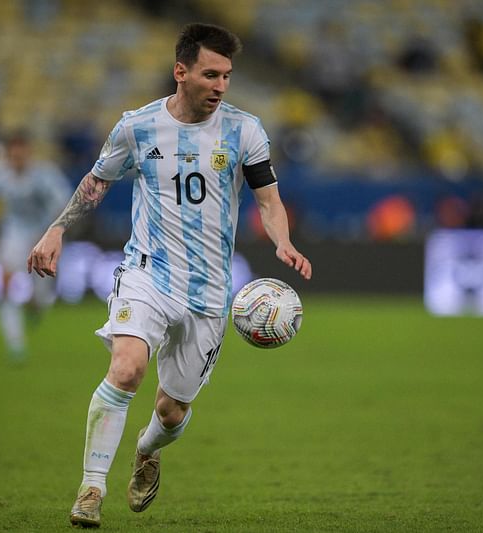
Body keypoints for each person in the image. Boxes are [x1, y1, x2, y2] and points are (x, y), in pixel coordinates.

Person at [27, 23, 312, 528]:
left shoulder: (245, 130)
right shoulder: (136, 128)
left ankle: (147, 449)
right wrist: (56, 230)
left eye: (227, 75)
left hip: (209, 293)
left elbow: (269, 201)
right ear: (181, 72)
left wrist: (283, 241)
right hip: (148, 274)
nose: (221, 85)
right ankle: (91, 488)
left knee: (172, 412)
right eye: (210, 74)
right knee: (127, 369)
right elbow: (96, 184)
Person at [0, 130, 71, 360]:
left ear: (29, 153)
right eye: (13, 155)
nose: (17, 159)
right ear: (7, 155)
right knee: (5, 283)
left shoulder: (45, 175)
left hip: (41, 234)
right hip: (13, 233)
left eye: (21, 154)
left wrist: (57, 232)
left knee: (40, 297)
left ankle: (36, 306)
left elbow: (63, 204)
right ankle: (15, 344)